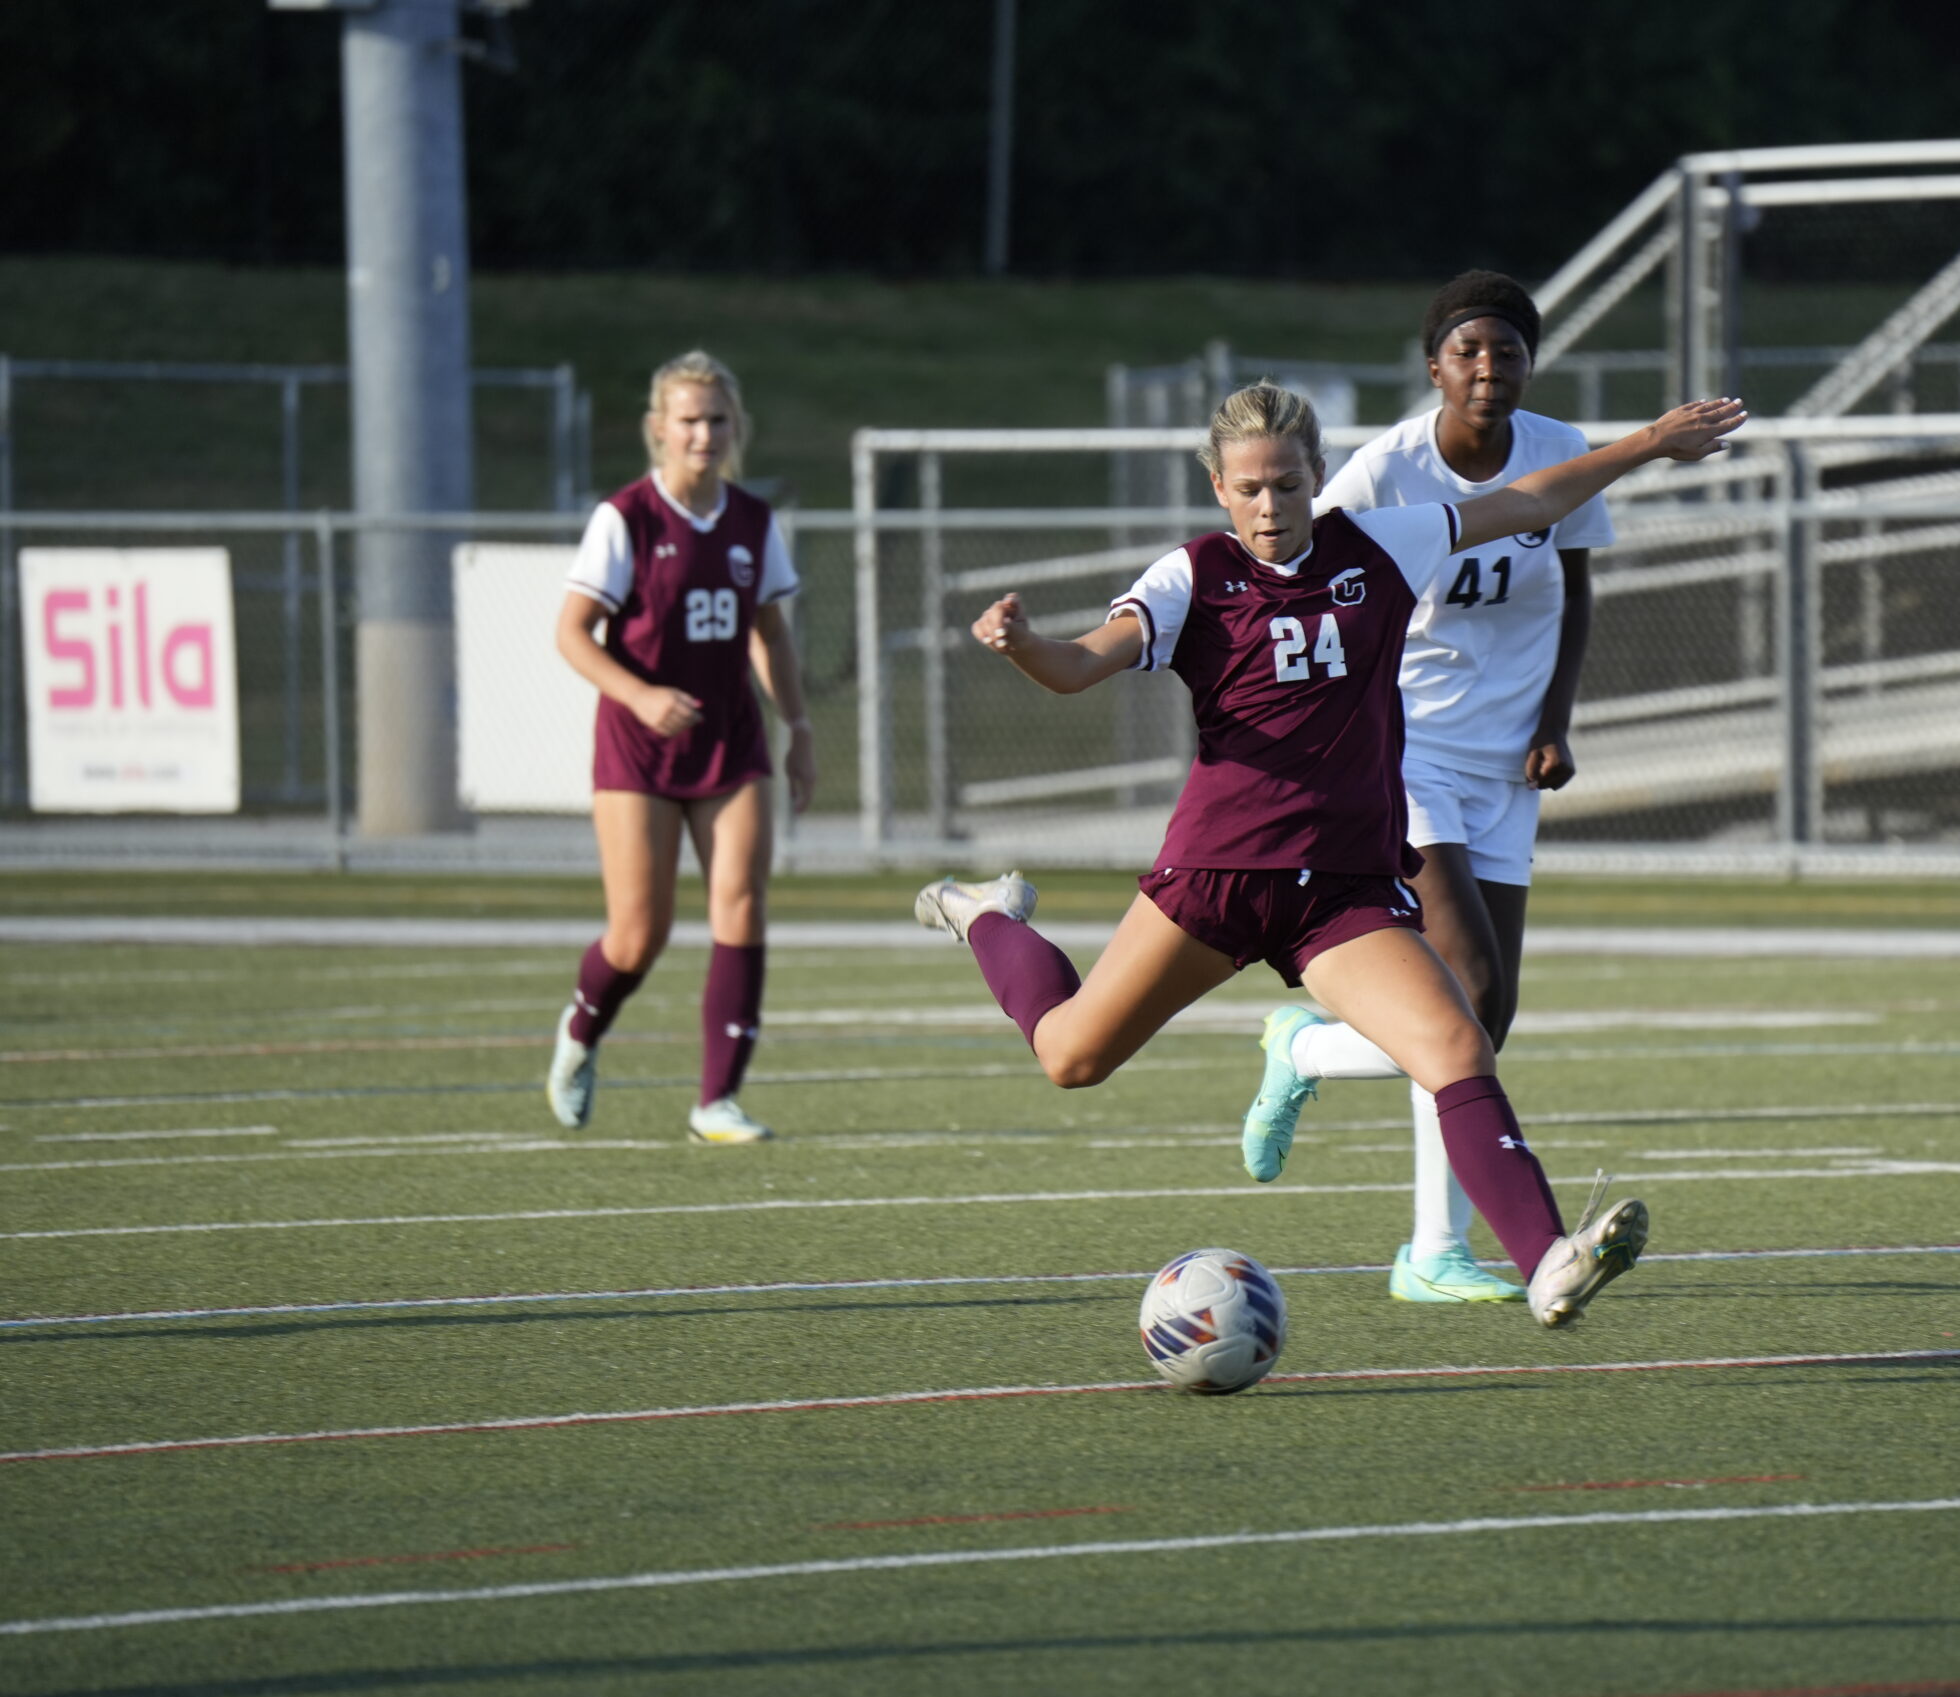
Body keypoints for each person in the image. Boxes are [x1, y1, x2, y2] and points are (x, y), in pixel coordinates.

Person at [916, 380, 1746, 1326]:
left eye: (1286, 484)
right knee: (1071, 1056)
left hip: (1342, 891)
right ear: (1219, 489)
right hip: (1218, 879)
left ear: (1319, 477)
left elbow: (1533, 502)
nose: (1270, 508)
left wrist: (1652, 441)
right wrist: (1022, 643)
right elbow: (1076, 666)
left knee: (1456, 1043)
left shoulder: (1380, 546)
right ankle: (984, 914)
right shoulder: (1193, 576)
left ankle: (1549, 1258)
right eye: (1248, 489)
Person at [1239, 270, 1609, 1307]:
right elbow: (1302, 578)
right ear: (1433, 365)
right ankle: (1435, 1250)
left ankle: (1307, 1051)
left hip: (1508, 764)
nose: (1489, 368)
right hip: (1405, 756)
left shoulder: (1558, 451)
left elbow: (1576, 588)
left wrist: (1553, 721)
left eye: (1508, 351)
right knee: (1466, 994)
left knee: (1485, 1023)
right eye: (1469, 351)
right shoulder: (1382, 472)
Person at [544, 350, 816, 1144]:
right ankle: (582, 1031)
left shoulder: (750, 521)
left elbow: (770, 633)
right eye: (688, 420)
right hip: (637, 750)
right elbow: (571, 633)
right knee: (639, 932)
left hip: (732, 740)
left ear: (736, 429)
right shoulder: (625, 518)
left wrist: (798, 729)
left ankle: (716, 1102)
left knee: (740, 902)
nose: (703, 433)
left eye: (717, 420)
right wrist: (640, 694)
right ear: (658, 429)